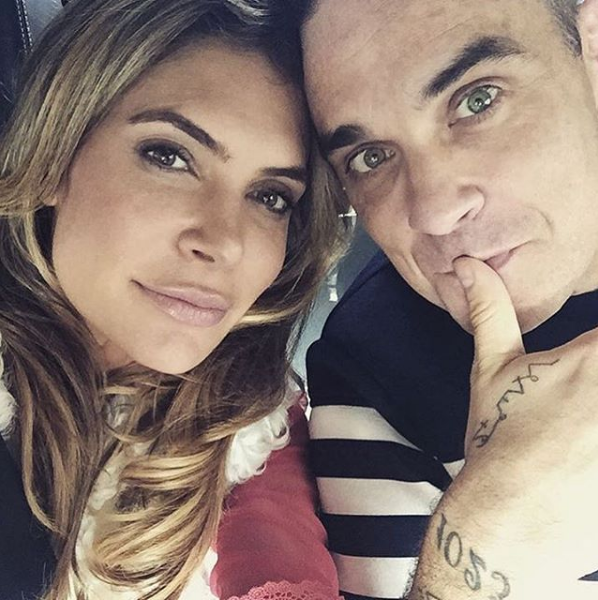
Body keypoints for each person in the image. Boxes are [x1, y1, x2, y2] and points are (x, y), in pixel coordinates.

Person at [0, 0, 349, 598]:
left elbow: (280, 561)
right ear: (55, 154)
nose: (224, 243)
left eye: (270, 196)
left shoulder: (258, 431)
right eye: (169, 156)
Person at [290, 0, 598, 598]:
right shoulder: (372, 374)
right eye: (371, 157)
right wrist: (488, 535)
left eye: (477, 100)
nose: (433, 211)